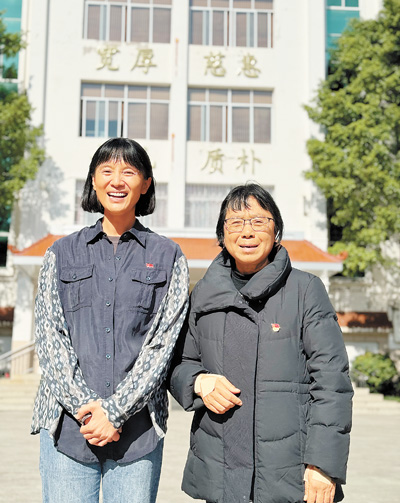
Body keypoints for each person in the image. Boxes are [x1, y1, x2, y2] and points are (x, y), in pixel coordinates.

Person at [170, 183, 353, 503]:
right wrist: (198, 381)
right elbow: (178, 364)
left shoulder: (305, 290)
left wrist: (323, 464)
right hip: (220, 471)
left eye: (258, 221)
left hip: (288, 475)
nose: (247, 232)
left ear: (276, 231)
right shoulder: (203, 294)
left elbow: (332, 382)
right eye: (235, 222)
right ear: (222, 234)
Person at [31, 137, 189, 503]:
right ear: (93, 180)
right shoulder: (61, 252)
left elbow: (162, 345)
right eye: (107, 171)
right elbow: (50, 338)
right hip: (67, 427)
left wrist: (114, 413)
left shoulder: (169, 256)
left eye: (129, 172)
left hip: (138, 431)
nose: (117, 181)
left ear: (145, 184)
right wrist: (90, 414)